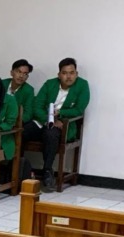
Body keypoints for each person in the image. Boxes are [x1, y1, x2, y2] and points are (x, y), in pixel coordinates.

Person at [22, 57, 90, 192]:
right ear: (59, 75)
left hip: (63, 125)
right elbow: (37, 106)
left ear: (76, 74)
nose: (69, 76)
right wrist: (48, 120)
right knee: (22, 131)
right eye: (65, 73)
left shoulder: (82, 85)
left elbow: (79, 109)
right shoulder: (50, 84)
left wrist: (61, 114)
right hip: (43, 121)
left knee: (51, 133)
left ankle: (47, 171)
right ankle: (19, 170)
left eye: (72, 73)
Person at [2, 59, 35, 124]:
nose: (21, 76)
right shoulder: (2, 84)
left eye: (25, 74)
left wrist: (16, 122)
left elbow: (28, 113)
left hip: (14, 122)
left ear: (27, 77)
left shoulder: (29, 90)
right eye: (19, 72)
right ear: (11, 73)